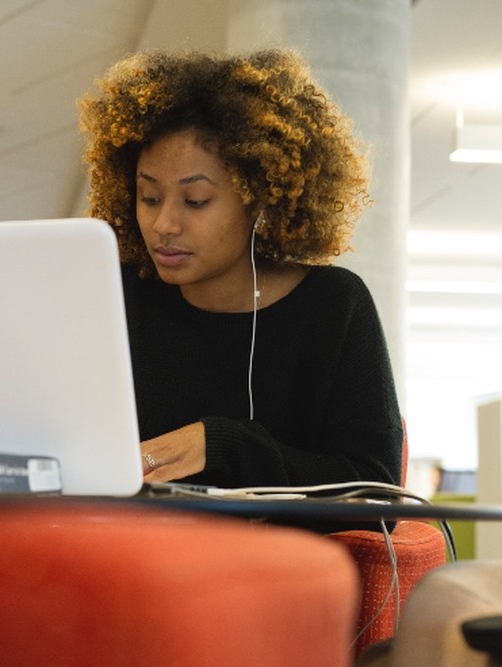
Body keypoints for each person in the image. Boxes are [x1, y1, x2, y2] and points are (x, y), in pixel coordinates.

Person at [78, 48, 402, 488]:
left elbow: (374, 488)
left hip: (274, 555)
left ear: (260, 200)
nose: (163, 225)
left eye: (196, 201)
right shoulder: (115, 294)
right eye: (149, 198)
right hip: (128, 546)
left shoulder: (333, 307)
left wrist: (224, 444)